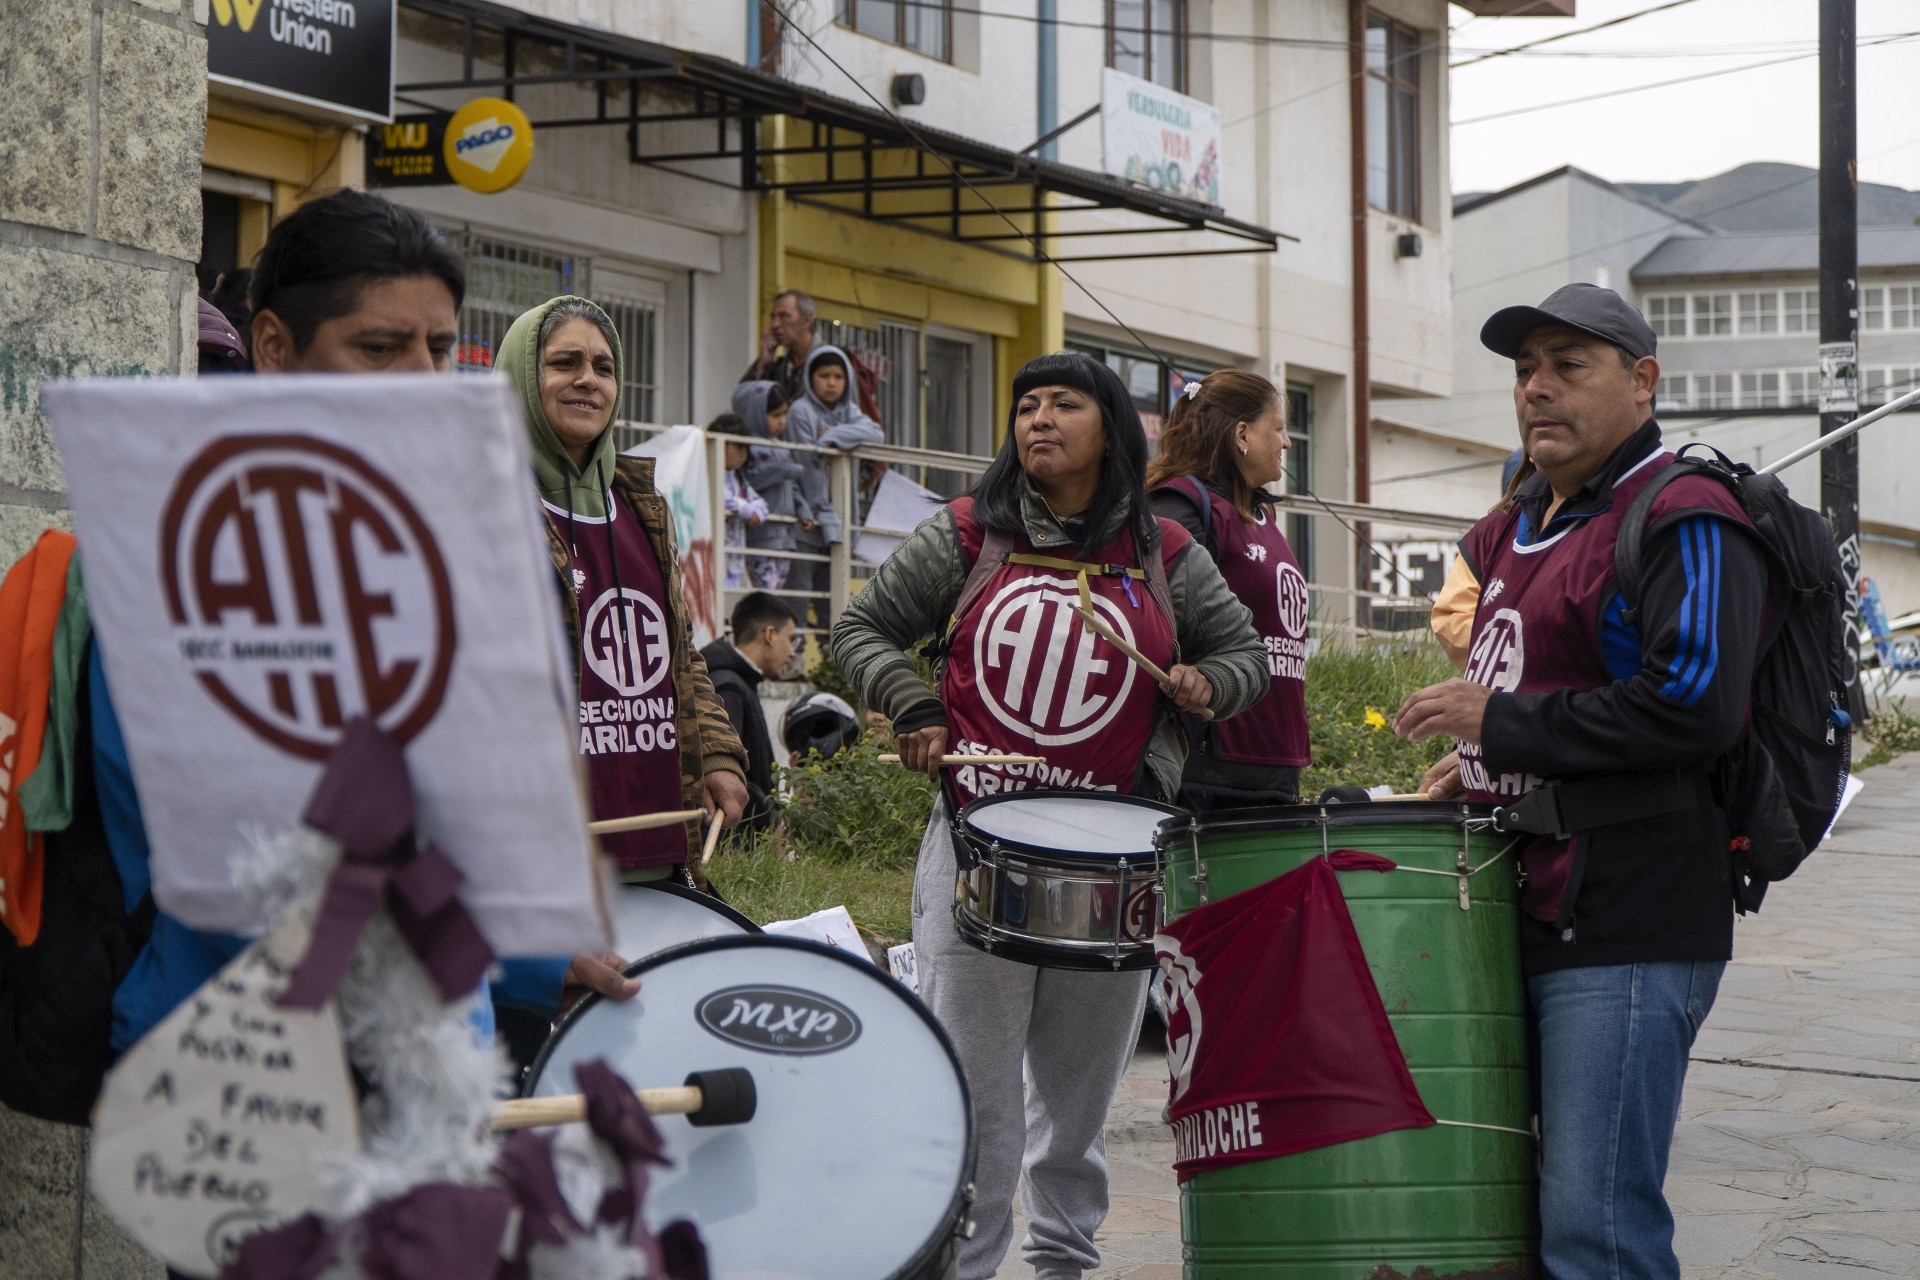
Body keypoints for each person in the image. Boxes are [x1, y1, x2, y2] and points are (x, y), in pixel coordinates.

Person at [832, 351, 1266, 1280]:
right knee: (977, 1097)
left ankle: (1064, 1264)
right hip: (977, 841)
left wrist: (1206, 682)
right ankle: (967, 1266)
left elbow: (1244, 655)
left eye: (1064, 403)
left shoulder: (1166, 554)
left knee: (1076, 1104)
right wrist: (912, 705)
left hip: (1114, 858)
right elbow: (859, 628)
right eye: (1026, 405)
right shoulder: (962, 535)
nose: (1039, 419)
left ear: (1109, 424)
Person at [1393, 283, 1772, 1280]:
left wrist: (1504, 724)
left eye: (1570, 364)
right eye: (1526, 369)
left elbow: (1695, 705)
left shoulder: (1685, 513)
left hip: (1632, 915)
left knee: (1595, 1227)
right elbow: (1557, 687)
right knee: (1515, 1213)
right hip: (1531, 903)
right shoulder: (1528, 524)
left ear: (1642, 382)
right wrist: (1478, 759)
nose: (1537, 389)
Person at [1145, 369, 1311, 807]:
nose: (1287, 442)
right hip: (1210, 773)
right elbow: (1153, 619)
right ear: (1242, 434)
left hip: (1272, 766)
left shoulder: (1259, 515)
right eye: (1277, 428)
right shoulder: (1180, 507)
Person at [785, 345, 883, 630]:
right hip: (807, 520)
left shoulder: (848, 411)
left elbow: (876, 433)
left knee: (833, 602)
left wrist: (832, 437)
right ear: (810, 379)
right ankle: (794, 664)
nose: (831, 383)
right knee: (799, 597)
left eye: (838, 377)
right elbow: (807, 469)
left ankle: (832, 666)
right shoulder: (800, 411)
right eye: (824, 375)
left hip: (838, 522)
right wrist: (824, 515)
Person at [699, 592, 797, 829]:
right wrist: (771, 823)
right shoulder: (728, 687)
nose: (793, 652)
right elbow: (725, 782)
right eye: (791, 639)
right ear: (770, 635)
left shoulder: (738, 681)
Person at [734, 380, 808, 596]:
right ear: (755, 413)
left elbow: (792, 488)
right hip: (762, 535)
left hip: (786, 537)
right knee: (766, 593)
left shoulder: (782, 449)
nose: (782, 422)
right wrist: (782, 471)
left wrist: (804, 511)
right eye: (776, 415)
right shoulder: (749, 450)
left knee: (776, 594)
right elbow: (751, 483)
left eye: (784, 414)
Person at [709, 413, 769, 588]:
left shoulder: (738, 478)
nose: (743, 453)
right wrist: (747, 510)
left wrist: (754, 511)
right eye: (738, 446)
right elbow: (723, 498)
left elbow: (761, 504)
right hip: (712, 551)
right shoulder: (708, 470)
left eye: (746, 447)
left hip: (734, 556)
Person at [739, 287, 818, 405]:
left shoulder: (832, 362)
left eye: (784, 316)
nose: (775, 324)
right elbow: (743, 402)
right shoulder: (778, 368)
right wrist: (762, 363)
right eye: (773, 317)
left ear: (807, 321)